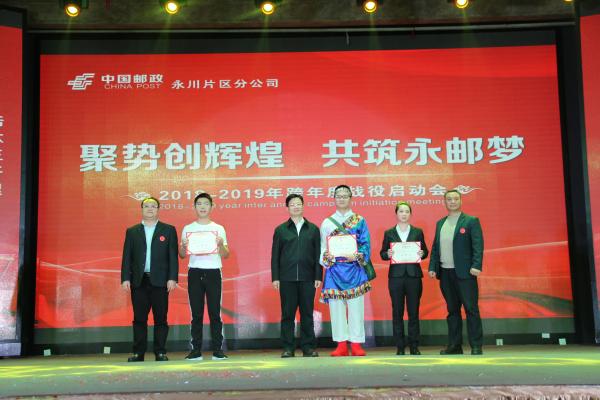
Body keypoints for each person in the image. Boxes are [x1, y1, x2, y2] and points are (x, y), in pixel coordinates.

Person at [121, 197, 179, 362]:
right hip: (139, 281)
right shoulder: (132, 231)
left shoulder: (168, 230)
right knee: (139, 319)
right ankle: (138, 353)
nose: (150, 209)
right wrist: (125, 278)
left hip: (160, 281)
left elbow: (172, 256)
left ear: (158, 209)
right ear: (142, 209)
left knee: (161, 318)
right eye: (146, 206)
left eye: (153, 206)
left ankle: (160, 352)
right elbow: (127, 257)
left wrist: (172, 278)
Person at [428, 189, 484, 355]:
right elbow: (435, 247)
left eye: (455, 199)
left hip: (466, 273)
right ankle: (455, 346)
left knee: (471, 309)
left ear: (461, 201)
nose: (452, 202)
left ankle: (476, 345)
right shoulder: (440, 223)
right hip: (446, 273)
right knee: (452, 311)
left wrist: (476, 265)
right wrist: (432, 267)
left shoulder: (471, 221)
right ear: (445, 202)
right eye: (449, 199)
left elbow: (478, 245)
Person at [320, 185, 372, 357]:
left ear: (351, 198)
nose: (341, 199)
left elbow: (365, 244)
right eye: (338, 196)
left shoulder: (360, 220)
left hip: (354, 269)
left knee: (356, 308)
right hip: (334, 270)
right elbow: (323, 247)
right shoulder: (327, 222)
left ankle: (356, 344)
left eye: (345, 196)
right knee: (336, 309)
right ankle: (341, 345)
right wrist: (326, 257)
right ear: (334, 198)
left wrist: (357, 255)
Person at [179, 192, 230, 361]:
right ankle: (195, 350)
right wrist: (183, 246)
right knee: (196, 313)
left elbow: (226, 254)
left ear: (212, 206)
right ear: (194, 207)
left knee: (215, 312)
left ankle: (218, 350)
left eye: (206, 204)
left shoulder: (219, 228)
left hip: (214, 271)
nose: (202, 207)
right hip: (195, 271)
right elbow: (182, 255)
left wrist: (221, 244)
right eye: (199, 204)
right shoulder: (188, 228)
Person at [271, 194, 322, 358]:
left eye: (298, 204)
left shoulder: (313, 229)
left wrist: (318, 276)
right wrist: (275, 277)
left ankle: (308, 347)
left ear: (303, 206)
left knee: (307, 314)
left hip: (308, 278)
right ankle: (288, 347)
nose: (296, 207)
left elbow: (318, 254)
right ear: (287, 208)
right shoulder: (281, 230)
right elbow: (275, 256)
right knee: (288, 315)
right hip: (287, 278)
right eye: (292, 204)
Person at [379, 201, 428, 355]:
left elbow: (425, 251)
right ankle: (400, 346)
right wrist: (387, 254)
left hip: (414, 276)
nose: (404, 214)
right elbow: (382, 254)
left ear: (410, 214)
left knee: (414, 312)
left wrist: (422, 253)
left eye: (407, 211)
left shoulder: (417, 231)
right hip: (396, 277)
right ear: (396, 214)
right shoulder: (389, 233)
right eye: (401, 211)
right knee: (397, 312)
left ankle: (414, 346)